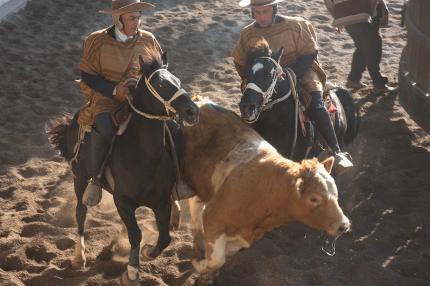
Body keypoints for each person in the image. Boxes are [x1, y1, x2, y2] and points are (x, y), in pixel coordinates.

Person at [232, 0, 353, 174]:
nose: (261, 16)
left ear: (274, 9)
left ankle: (336, 151)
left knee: (316, 105)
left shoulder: (296, 25)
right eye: (257, 12)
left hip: (301, 72)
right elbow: (240, 61)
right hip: (266, 77)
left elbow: (310, 53)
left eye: (265, 11)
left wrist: (289, 73)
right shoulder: (247, 34)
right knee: (249, 106)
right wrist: (251, 79)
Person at [78, 0, 163, 206]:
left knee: (166, 124)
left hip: (141, 97)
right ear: (118, 19)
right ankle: (96, 179)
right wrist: (115, 89)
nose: (137, 21)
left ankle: (174, 177)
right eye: (132, 18)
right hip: (107, 99)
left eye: (139, 17)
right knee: (105, 125)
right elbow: (87, 74)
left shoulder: (148, 39)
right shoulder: (96, 41)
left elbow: (161, 67)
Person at [324, 0, 394, 94]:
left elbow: (328, 2)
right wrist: (371, 14)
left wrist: (338, 18)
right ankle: (379, 85)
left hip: (345, 17)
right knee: (372, 49)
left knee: (361, 48)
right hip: (364, 16)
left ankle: (353, 79)